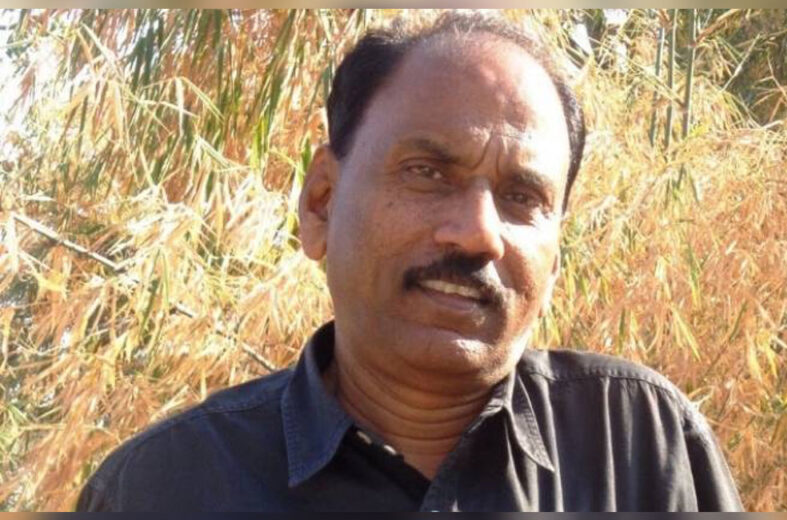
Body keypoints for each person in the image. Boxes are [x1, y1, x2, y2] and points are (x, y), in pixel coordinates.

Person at [77, 12, 742, 512]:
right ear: (320, 203)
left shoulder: (642, 448)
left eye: (522, 197)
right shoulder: (163, 489)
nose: (478, 235)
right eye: (427, 173)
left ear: (556, 258)